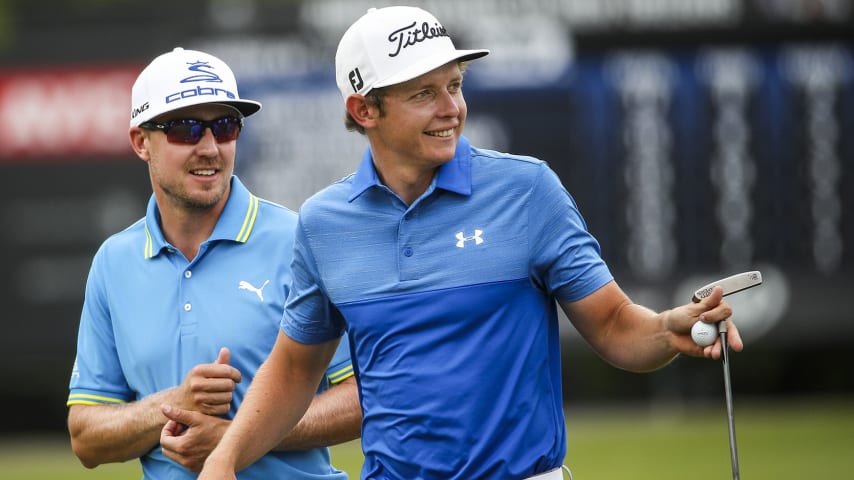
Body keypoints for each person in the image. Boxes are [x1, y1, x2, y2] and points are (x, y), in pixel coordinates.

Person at [198, 6, 743, 480]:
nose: (451, 109)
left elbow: (615, 325)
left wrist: (666, 330)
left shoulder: (527, 190)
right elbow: (295, 370)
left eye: (455, 85)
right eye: (424, 94)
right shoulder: (323, 222)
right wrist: (226, 459)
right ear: (365, 110)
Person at [66, 47, 361, 479]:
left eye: (225, 127)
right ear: (140, 142)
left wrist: (235, 437)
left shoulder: (299, 240)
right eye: (186, 129)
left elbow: (361, 398)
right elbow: (86, 437)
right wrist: (173, 404)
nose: (210, 147)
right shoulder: (114, 261)